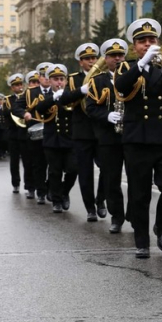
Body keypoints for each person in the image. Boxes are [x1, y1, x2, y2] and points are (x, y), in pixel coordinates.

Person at [115, 19, 162, 259]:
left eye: (152, 40)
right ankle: (141, 241)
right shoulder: (126, 68)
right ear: (134, 46)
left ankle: (161, 226)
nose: (148, 44)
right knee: (139, 194)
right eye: (142, 41)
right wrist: (142, 64)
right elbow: (121, 87)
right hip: (137, 139)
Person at [85, 38, 131, 233]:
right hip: (108, 138)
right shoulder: (98, 81)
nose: (118, 58)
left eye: (121, 55)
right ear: (106, 58)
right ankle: (117, 217)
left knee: (137, 179)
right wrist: (106, 116)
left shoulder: (134, 76)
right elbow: (90, 108)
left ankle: (135, 216)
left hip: (132, 136)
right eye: (113, 56)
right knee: (111, 180)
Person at [59, 43, 106, 221]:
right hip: (82, 132)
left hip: (101, 130)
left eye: (94, 58)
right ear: (80, 62)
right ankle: (90, 209)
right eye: (87, 59)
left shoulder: (103, 77)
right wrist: (81, 90)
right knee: (84, 172)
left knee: (106, 169)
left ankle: (101, 199)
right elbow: (64, 100)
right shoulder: (73, 79)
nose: (91, 61)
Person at [36, 64, 78, 214]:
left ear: (65, 81)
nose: (59, 82)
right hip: (52, 141)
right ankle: (57, 201)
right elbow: (39, 108)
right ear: (50, 81)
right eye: (55, 79)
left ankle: (64, 192)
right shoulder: (46, 97)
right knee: (55, 172)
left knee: (73, 169)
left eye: (61, 79)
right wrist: (54, 98)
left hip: (69, 139)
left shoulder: (71, 95)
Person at [13, 65, 51, 205]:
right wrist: (24, 113)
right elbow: (15, 107)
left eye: (49, 75)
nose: (46, 78)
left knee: (55, 165)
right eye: (43, 76)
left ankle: (51, 188)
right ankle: (40, 191)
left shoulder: (58, 90)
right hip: (36, 133)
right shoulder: (30, 93)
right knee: (38, 164)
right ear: (39, 77)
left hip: (55, 133)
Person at [3, 73, 32, 195]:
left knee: (27, 160)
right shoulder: (8, 99)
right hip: (14, 134)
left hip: (25, 133)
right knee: (14, 161)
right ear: (12, 87)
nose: (19, 87)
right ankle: (15, 183)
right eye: (16, 85)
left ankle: (28, 185)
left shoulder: (27, 96)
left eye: (20, 84)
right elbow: (6, 115)